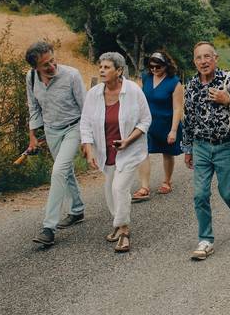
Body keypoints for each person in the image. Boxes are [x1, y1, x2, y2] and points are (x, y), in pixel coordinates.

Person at [181, 41, 230, 261]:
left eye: (207, 56)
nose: (203, 61)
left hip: (225, 146)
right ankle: (205, 240)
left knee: (227, 192)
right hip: (201, 146)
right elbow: (189, 118)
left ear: (215, 58)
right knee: (200, 194)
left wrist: (229, 101)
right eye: (198, 58)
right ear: (194, 62)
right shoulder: (192, 84)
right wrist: (187, 148)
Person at [80, 52, 151, 253]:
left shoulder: (134, 91)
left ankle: (124, 231)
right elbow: (85, 123)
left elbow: (146, 120)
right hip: (105, 150)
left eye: (107, 67)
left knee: (119, 188)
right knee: (110, 188)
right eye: (100, 67)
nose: (102, 70)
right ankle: (117, 223)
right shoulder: (94, 94)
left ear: (119, 70)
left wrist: (128, 140)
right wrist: (89, 147)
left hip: (129, 149)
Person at [25, 40, 87, 247]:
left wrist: (88, 140)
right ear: (35, 67)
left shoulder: (72, 75)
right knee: (66, 171)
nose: (52, 67)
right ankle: (77, 209)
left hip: (73, 127)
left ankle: (48, 228)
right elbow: (33, 106)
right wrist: (33, 136)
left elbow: (86, 108)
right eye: (45, 65)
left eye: (53, 61)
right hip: (51, 130)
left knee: (58, 170)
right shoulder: (31, 77)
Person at [133, 50, 183, 202]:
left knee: (167, 153)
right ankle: (144, 187)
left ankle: (167, 181)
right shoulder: (146, 78)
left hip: (167, 123)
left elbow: (177, 108)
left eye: (158, 67)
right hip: (148, 123)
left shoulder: (174, 82)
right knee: (143, 152)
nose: (154, 70)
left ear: (166, 66)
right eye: (151, 67)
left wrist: (173, 130)